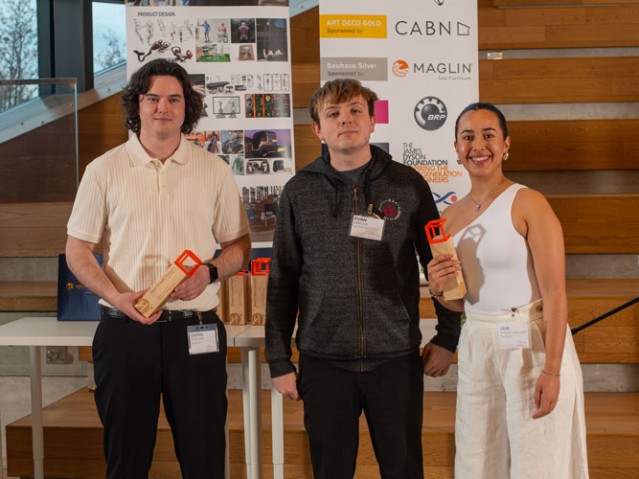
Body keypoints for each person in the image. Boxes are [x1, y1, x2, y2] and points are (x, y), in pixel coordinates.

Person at [265, 79, 462, 479]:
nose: (346, 120)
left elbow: (441, 264)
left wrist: (447, 336)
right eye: (333, 114)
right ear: (318, 129)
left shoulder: (408, 185)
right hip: (323, 361)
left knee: (404, 469)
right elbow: (283, 278)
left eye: (356, 110)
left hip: (396, 360)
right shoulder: (299, 191)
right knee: (330, 470)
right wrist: (279, 359)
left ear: (373, 122)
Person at [65, 59, 251, 478]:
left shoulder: (214, 170)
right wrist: (116, 296)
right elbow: (77, 250)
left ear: (187, 108)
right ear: (137, 104)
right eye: (153, 98)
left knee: (204, 458)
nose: (163, 107)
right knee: (125, 459)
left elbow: (239, 246)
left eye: (174, 98)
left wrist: (210, 272)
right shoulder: (103, 170)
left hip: (196, 331)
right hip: (125, 330)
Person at [426, 102, 589, 478]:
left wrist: (552, 370)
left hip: (530, 342)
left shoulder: (529, 202)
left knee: (539, 460)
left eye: (488, 135)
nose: (478, 145)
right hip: (477, 342)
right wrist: (437, 289)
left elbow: (555, 293)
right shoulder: (448, 217)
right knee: (476, 459)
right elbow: (456, 301)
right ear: (456, 147)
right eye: (468, 137)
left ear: (505, 144)